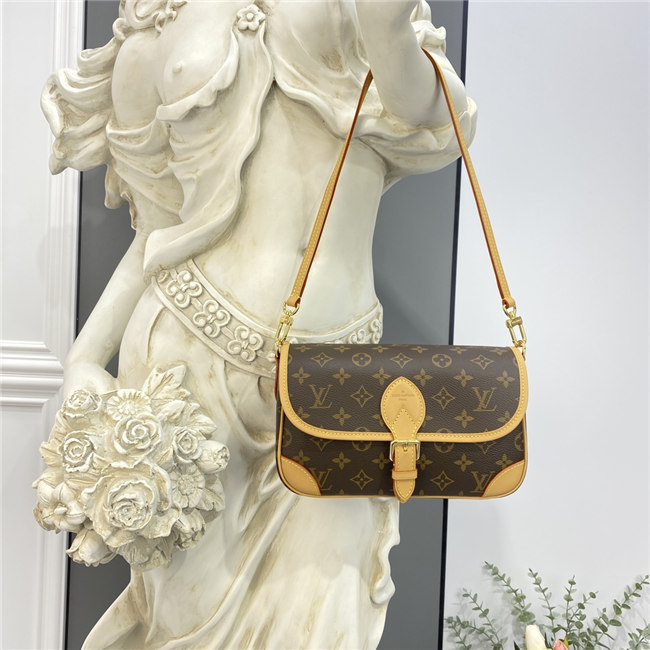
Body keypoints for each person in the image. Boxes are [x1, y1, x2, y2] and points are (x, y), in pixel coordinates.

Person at [43, 0, 476, 646]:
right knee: (184, 630)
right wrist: (84, 358)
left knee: (331, 621)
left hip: (336, 377)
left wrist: (387, 28)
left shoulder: (361, 9)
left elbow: (430, 116)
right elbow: (156, 226)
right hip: (185, 369)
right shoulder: (161, 25)